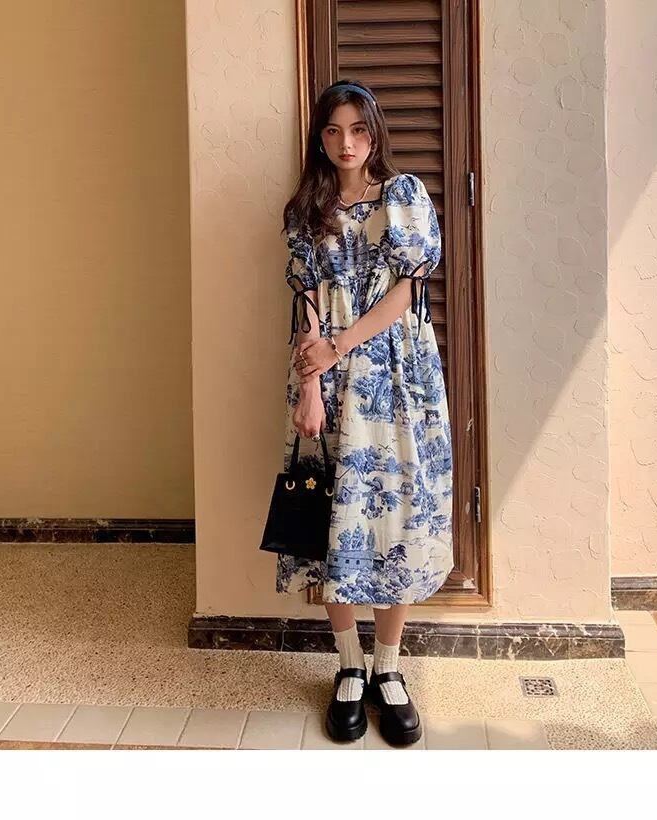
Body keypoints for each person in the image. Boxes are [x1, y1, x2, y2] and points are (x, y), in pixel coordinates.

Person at [276, 79, 454, 746]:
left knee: (398, 514)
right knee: (335, 518)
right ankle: (349, 666)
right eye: (332, 131)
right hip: (327, 373)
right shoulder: (308, 209)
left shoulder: (402, 194)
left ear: (374, 133)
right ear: (319, 139)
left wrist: (340, 345)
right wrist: (310, 384)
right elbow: (306, 302)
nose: (345, 143)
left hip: (398, 373)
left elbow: (406, 294)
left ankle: (388, 667)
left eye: (357, 129)